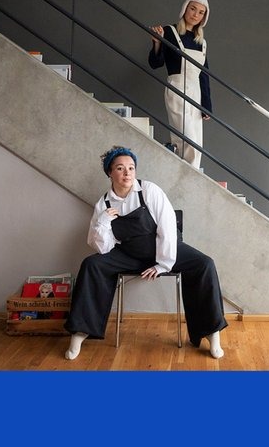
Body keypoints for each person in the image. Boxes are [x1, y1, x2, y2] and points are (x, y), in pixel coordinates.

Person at [64, 145, 228, 360]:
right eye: (120, 168)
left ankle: (211, 333)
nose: (127, 173)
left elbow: (168, 228)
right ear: (110, 172)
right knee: (91, 264)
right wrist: (103, 222)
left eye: (131, 168)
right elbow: (103, 248)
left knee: (204, 264)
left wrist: (163, 264)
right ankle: (80, 332)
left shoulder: (150, 190)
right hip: (128, 254)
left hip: (164, 249)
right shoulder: (103, 203)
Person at [149, 0, 212, 169]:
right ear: (185, 8)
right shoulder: (169, 31)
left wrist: (206, 105)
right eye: (193, 9)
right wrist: (157, 43)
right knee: (186, 140)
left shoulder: (202, 42)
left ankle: (189, 176)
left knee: (197, 144)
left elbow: (204, 75)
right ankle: (187, 177)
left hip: (196, 94)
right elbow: (156, 64)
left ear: (204, 17)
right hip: (177, 89)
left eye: (201, 12)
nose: (195, 14)